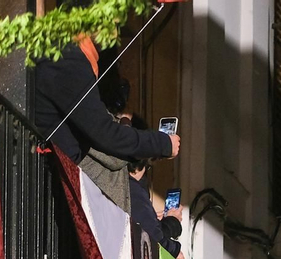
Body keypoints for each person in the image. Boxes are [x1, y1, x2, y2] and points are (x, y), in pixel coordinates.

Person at [31, 26, 179, 165]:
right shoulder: (69, 59)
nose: (115, 31)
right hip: (48, 168)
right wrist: (162, 144)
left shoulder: (74, 55)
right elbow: (105, 134)